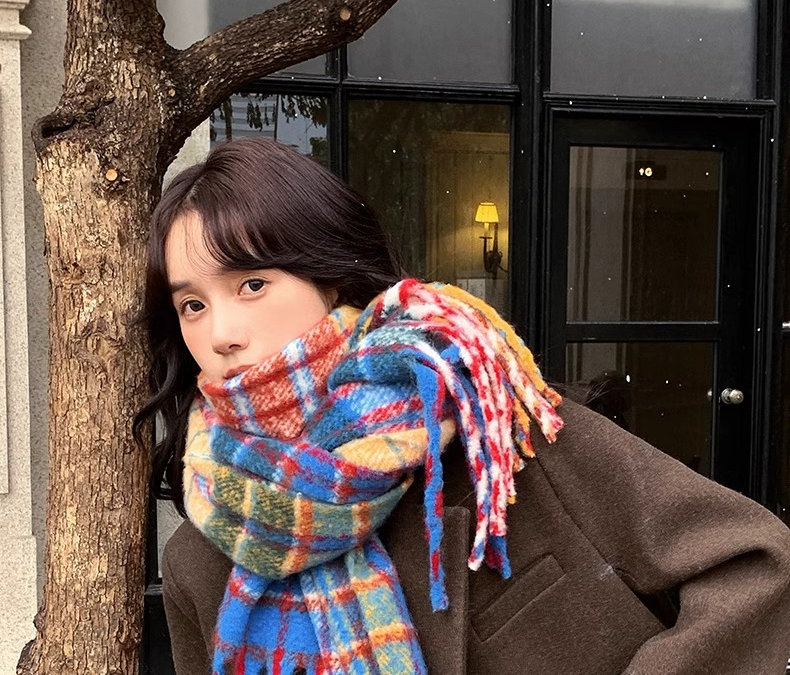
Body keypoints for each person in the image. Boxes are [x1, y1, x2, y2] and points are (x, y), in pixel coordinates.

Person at [133, 137, 790, 675]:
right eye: (192, 304)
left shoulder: (501, 437)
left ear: (329, 276)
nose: (220, 332)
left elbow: (756, 564)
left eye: (252, 283)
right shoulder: (199, 562)